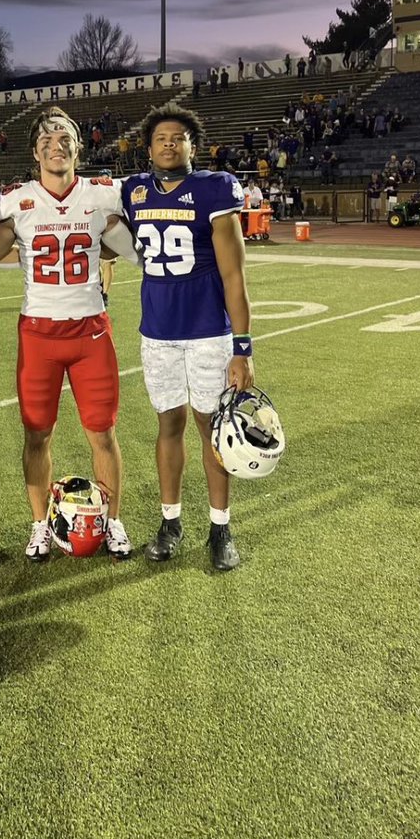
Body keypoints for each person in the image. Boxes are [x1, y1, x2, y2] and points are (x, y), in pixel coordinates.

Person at [0, 105, 139, 562]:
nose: (57, 146)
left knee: (103, 434)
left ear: (78, 148)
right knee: (37, 435)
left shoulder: (101, 195)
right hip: (39, 334)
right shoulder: (15, 201)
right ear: (35, 152)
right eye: (47, 141)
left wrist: (144, 255)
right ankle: (39, 523)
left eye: (65, 139)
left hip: (91, 331)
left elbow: (137, 243)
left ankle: (112, 520)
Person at [119, 101, 256, 572]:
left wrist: (242, 347)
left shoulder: (214, 188)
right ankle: (171, 522)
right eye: (160, 138)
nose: (169, 144)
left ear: (193, 146)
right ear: (148, 148)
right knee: (168, 425)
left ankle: (220, 527)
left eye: (178, 137)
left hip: (206, 333)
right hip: (157, 332)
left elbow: (234, 275)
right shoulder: (134, 190)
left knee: (211, 427)